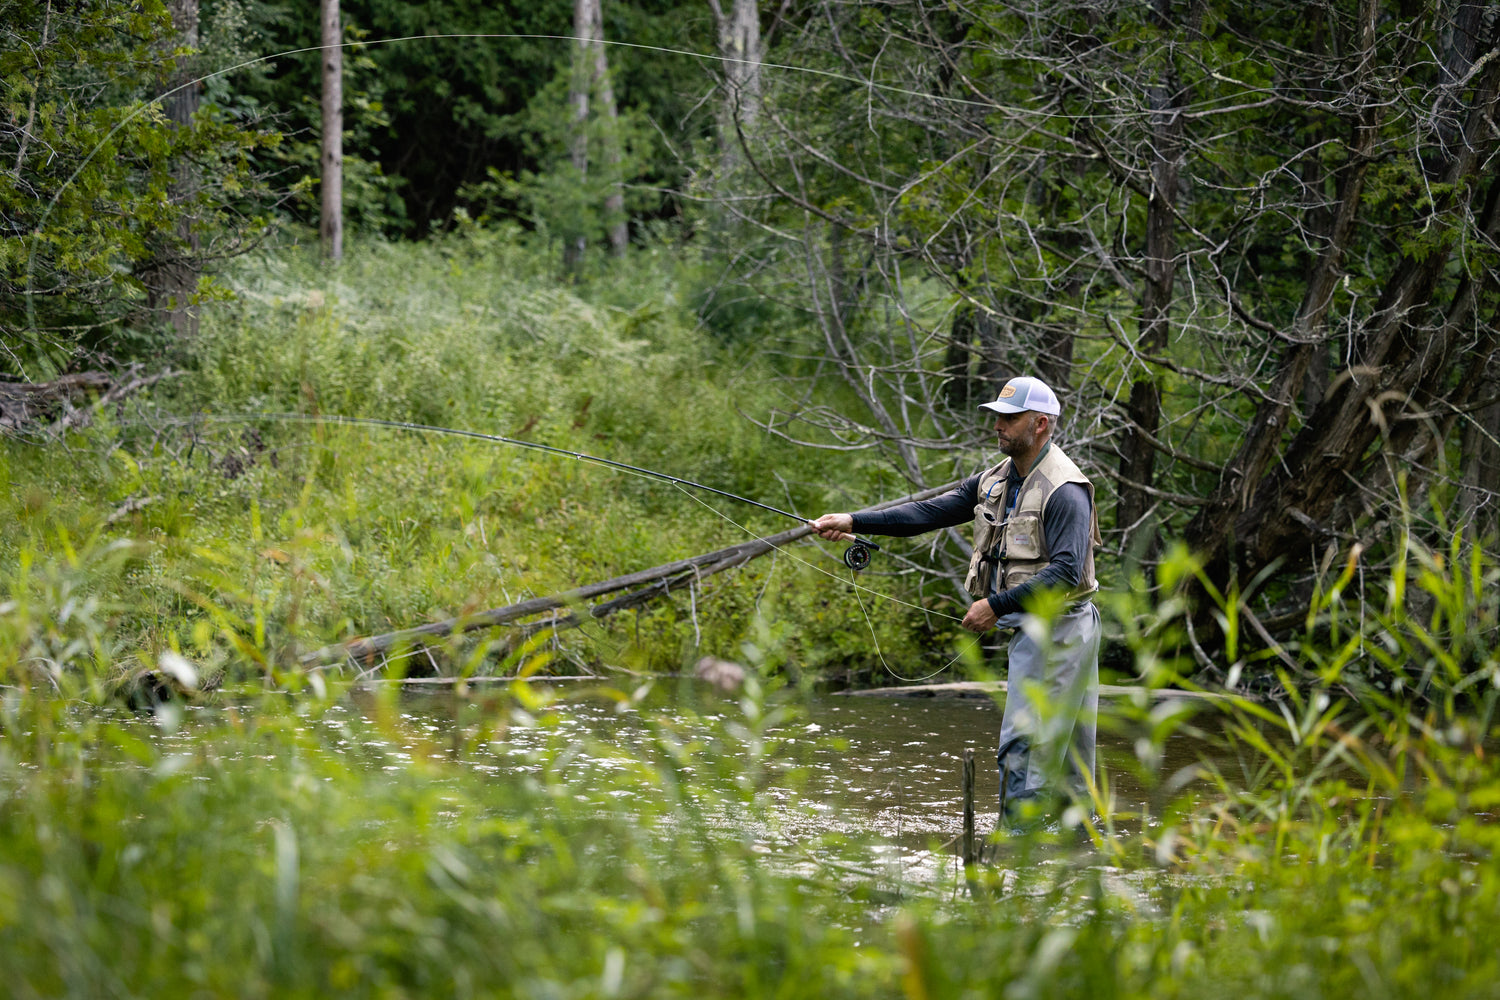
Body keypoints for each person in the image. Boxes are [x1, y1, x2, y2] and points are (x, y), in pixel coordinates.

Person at [810, 376, 1102, 829]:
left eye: (1009, 418)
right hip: (1043, 627)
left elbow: (1064, 573)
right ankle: (1082, 860)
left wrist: (996, 605)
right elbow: (927, 513)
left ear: (1040, 424)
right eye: (996, 417)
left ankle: (1013, 853)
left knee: (1026, 744)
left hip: (1060, 629)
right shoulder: (996, 480)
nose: (998, 426)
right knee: (1071, 761)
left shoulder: (1065, 490)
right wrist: (854, 520)